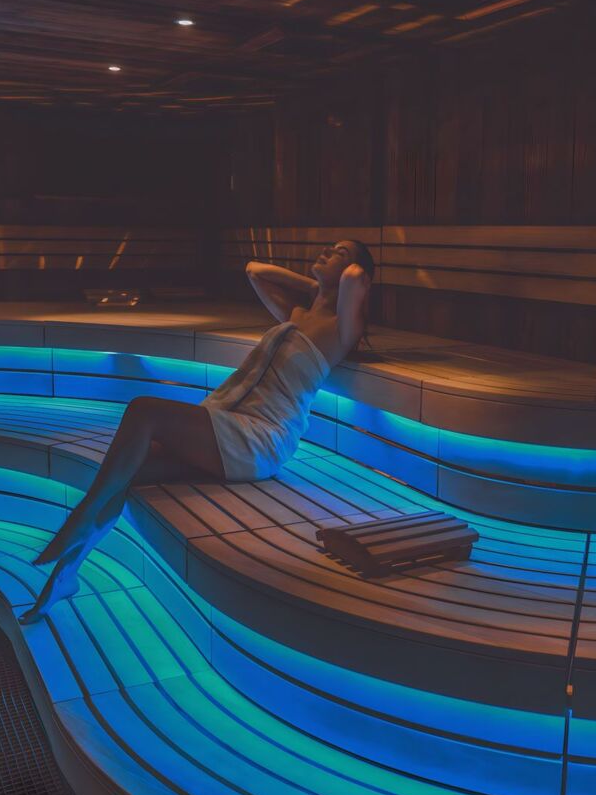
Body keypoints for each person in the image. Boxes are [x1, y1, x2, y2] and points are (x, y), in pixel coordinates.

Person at [19, 239, 375, 625]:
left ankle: (80, 518)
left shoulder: (342, 329)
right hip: (224, 421)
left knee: (143, 410)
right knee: (128, 472)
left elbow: (356, 275)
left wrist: (330, 283)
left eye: (339, 253)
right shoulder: (296, 314)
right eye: (330, 248)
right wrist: (318, 287)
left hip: (260, 438)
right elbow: (255, 270)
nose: (327, 252)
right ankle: (66, 575)